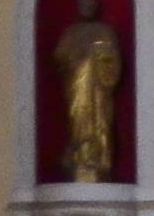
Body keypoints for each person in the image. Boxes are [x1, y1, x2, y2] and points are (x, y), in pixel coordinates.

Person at [53, 11, 124, 184]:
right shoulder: (71, 32)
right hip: (77, 85)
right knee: (79, 118)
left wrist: (95, 62)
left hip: (98, 89)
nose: (86, 8)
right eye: (83, 5)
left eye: (90, 5)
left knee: (99, 119)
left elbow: (112, 59)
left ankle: (97, 158)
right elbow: (59, 57)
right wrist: (77, 60)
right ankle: (79, 155)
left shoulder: (105, 31)